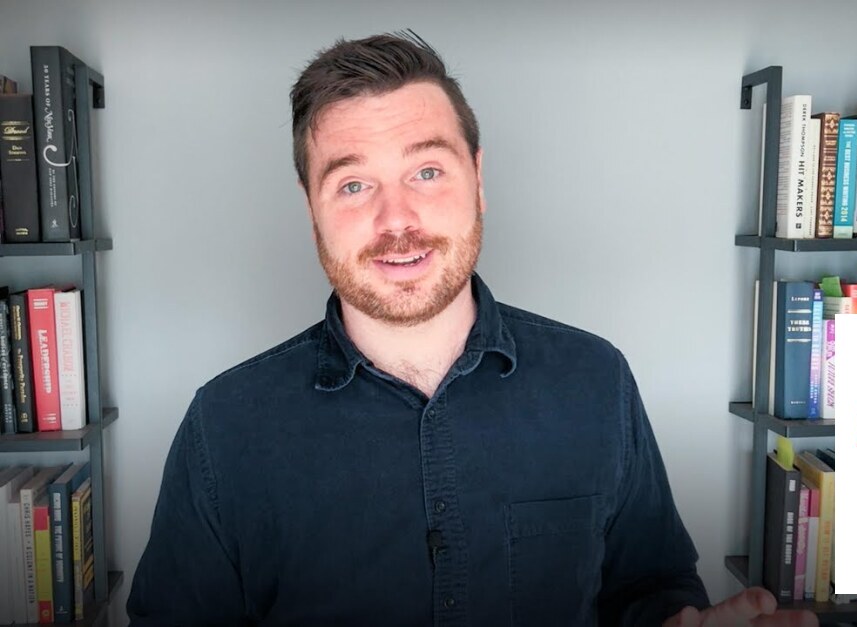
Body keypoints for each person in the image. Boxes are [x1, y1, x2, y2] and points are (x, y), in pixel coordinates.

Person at [127, 31, 819, 627]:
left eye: (427, 171)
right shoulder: (225, 425)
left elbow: (649, 586)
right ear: (312, 209)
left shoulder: (595, 380)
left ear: (478, 180)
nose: (397, 220)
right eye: (353, 184)